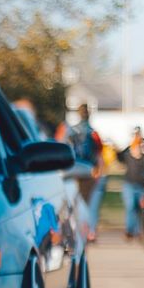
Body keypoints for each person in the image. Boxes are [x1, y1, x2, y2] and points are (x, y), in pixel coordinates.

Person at [61, 103, 104, 241]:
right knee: (90, 203)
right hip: (90, 171)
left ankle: (76, 230)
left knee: (75, 202)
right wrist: (99, 171)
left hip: (73, 171)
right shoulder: (93, 133)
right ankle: (89, 231)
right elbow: (99, 154)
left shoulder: (71, 131)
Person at [115, 126, 144, 240]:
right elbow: (120, 159)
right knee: (130, 207)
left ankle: (140, 231)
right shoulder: (129, 149)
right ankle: (130, 230)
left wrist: (140, 156)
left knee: (142, 208)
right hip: (129, 183)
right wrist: (115, 150)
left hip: (143, 184)